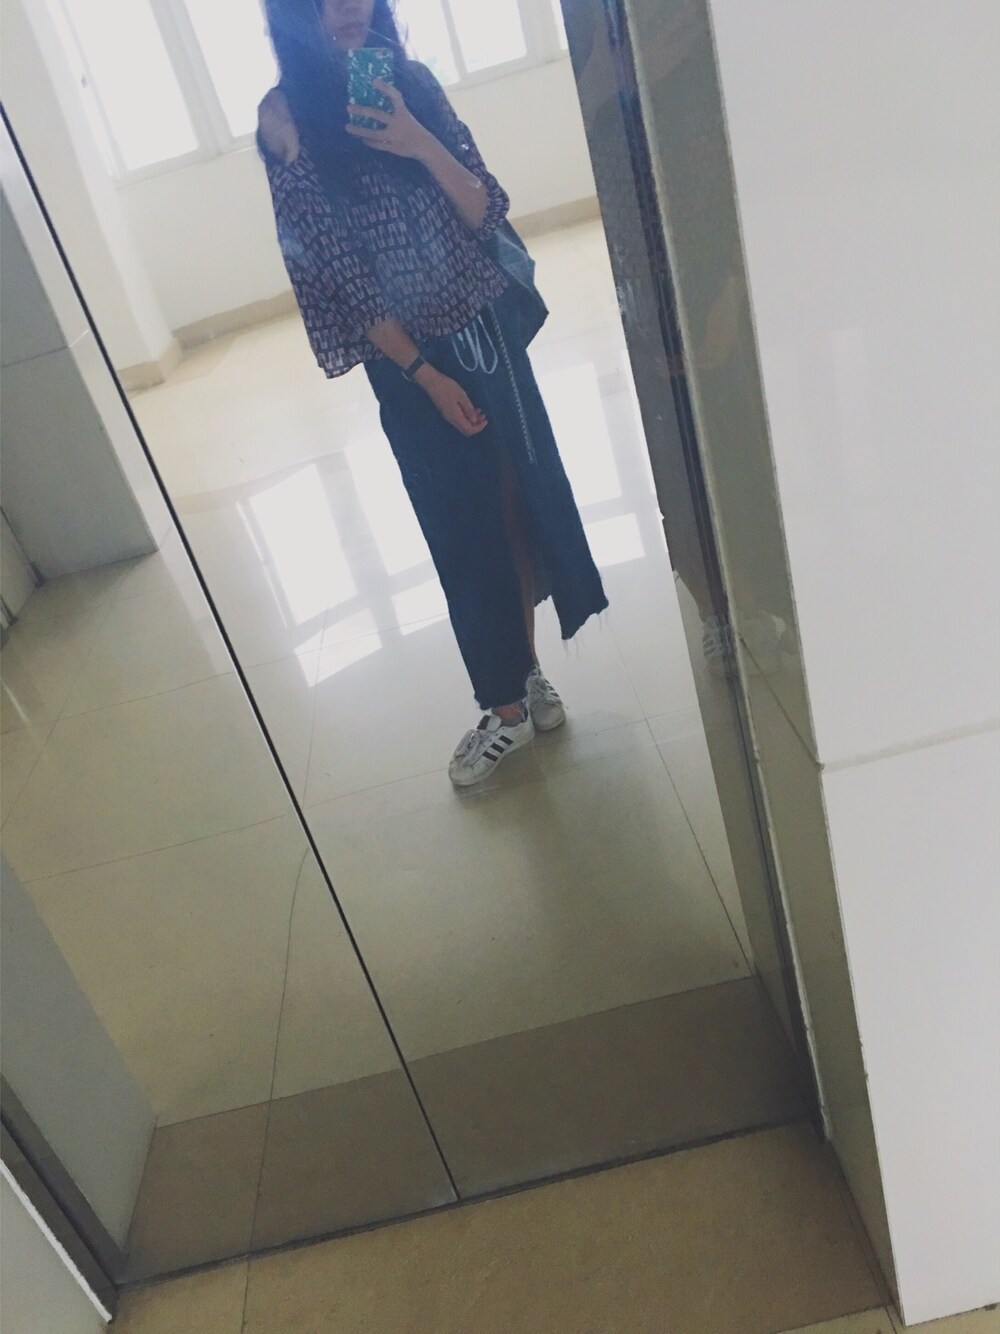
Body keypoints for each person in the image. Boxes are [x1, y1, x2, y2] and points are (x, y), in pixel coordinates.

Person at [258, 0, 607, 787]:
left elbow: (487, 206)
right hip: (409, 361)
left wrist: (416, 138)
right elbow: (332, 270)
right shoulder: (286, 119)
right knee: (459, 527)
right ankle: (506, 709)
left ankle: (525, 674)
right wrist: (423, 374)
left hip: (485, 335)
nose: (347, 9)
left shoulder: (411, 83)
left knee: (516, 506)